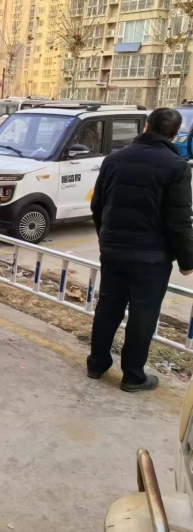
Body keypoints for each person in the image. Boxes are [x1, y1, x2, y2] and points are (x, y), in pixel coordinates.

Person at [88, 108, 193, 391]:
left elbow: (97, 205)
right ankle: (133, 376)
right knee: (143, 313)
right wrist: (187, 261)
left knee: (108, 305)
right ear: (175, 135)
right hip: (151, 257)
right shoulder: (177, 167)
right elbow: (179, 220)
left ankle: (96, 364)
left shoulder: (114, 159)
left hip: (114, 250)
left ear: (147, 127)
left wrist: (105, 240)